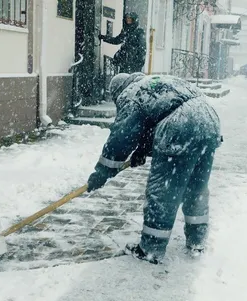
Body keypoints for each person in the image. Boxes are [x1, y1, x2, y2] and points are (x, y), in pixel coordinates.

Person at [86, 72, 222, 264]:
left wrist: (103, 171)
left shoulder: (130, 94)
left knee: (164, 190)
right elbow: (157, 116)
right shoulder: (154, 82)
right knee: (196, 187)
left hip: (180, 125)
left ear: (117, 92)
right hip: (208, 120)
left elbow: (122, 136)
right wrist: (142, 149)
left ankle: (151, 248)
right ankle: (197, 239)